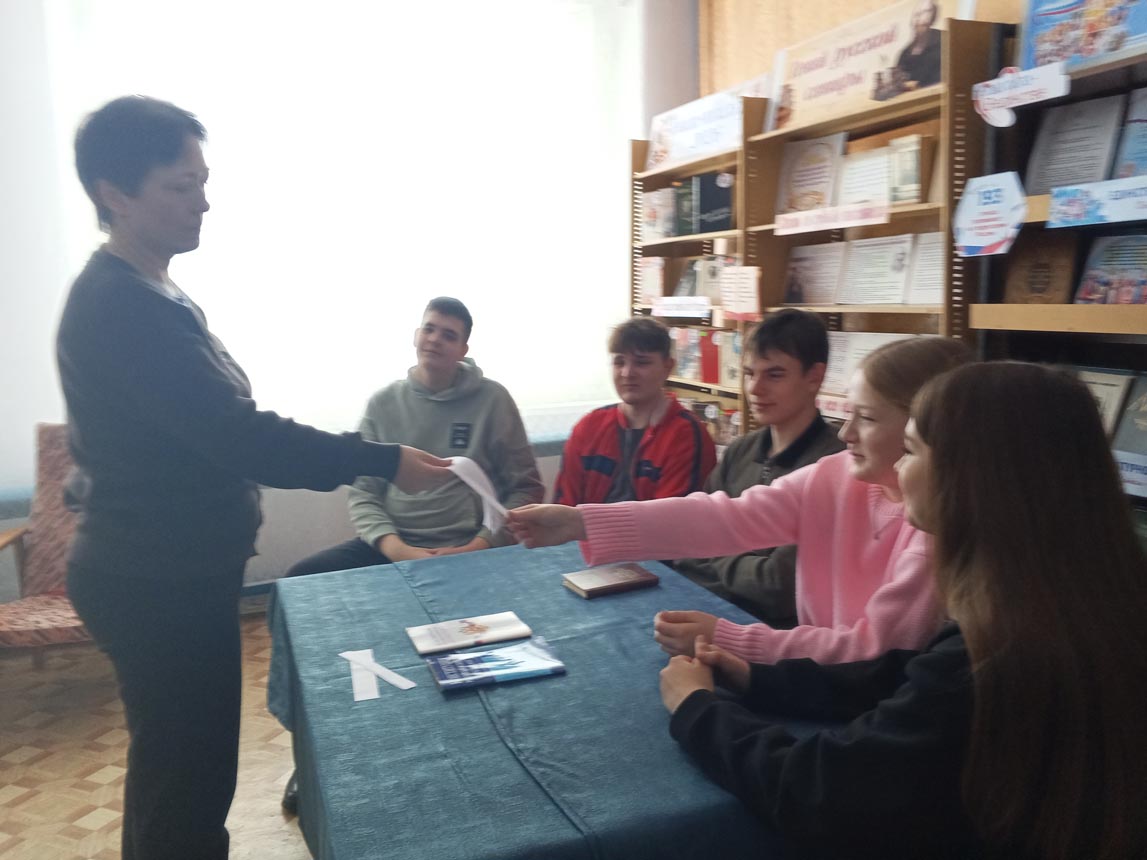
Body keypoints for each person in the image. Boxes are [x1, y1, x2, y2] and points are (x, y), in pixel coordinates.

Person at [57, 96, 450, 860]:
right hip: (153, 581)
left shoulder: (155, 291)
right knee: (186, 783)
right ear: (115, 194)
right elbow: (240, 436)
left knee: (179, 772)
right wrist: (382, 458)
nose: (203, 201)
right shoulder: (120, 306)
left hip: (173, 571)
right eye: (181, 185)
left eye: (204, 181)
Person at [657, 363, 1147, 859]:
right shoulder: (1074, 606)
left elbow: (819, 794)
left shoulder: (990, 658)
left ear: (968, 478)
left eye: (909, 451)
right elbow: (901, 677)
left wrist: (698, 709)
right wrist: (756, 678)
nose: (898, 469)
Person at [508, 336, 973, 666]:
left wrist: (731, 638)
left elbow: (874, 652)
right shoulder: (834, 476)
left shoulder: (932, 530)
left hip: (859, 697)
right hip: (815, 676)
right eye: (847, 414)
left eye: (867, 419)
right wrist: (581, 521)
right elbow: (727, 516)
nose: (846, 433)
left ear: (924, 429)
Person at [286, 297, 544, 575]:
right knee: (301, 576)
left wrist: (481, 545)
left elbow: (526, 489)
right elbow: (364, 493)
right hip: (394, 545)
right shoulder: (383, 404)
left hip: (472, 545)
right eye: (429, 329)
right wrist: (397, 550)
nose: (434, 339)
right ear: (416, 336)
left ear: (463, 350)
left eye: (449, 335)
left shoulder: (494, 400)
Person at [670, 310, 844, 626]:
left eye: (774, 375)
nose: (754, 388)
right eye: (749, 373)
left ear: (814, 377)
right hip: (708, 612)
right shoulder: (740, 450)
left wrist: (715, 551)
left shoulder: (834, 466)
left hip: (776, 637)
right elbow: (687, 542)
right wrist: (728, 556)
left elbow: (777, 587)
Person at [553, 317, 716, 505]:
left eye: (641, 363)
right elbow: (563, 505)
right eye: (619, 362)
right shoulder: (589, 427)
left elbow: (671, 517)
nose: (627, 373)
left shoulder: (685, 434)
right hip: (582, 525)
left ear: (668, 367)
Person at [894, 0, 942, 90]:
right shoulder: (905, 54)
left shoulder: (943, 41)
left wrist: (919, 85)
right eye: (917, 14)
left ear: (933, 17)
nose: (920, 19)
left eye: (926, 12)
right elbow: (896, 83)